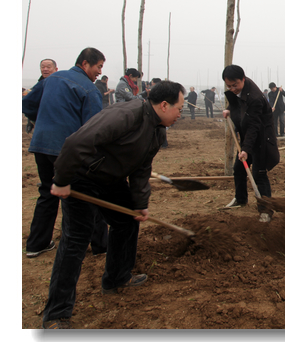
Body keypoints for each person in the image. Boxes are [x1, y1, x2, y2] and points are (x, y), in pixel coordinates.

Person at [40, 81, 186, 329]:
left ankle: (117, 278)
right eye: (179, 109)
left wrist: (140, 203)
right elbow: (76, 143)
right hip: (82, 177)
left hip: (110, 180)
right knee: (76, 239)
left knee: (127, 220)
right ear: (164, 105)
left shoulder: (157, 130)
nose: (180, 114)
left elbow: (142, 169)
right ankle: (56, 314)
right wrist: (62, 180)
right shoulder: (125, 114)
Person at [22, 48, 109, 260]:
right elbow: (94, 128)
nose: (100, 72)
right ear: (85, 63)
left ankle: (37, 244)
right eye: (98, 67)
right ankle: (101, 246)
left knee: (47, 192)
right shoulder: (89, 90)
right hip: (66, 150)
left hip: (41, 145)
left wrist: (44, 120)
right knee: (88, 192)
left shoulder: (51, 79)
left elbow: (27, 103)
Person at [221, 65, 280, 221]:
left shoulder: (255, 98)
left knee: (259, 174)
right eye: (229, 86)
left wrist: (246, 149)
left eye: (235, 85)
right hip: (247, 136)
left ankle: (266, 210)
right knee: (239, 169)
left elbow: (254, 126)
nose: (232, 89)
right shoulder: (241, 89)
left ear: (243, 79)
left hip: (261, 139)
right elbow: (237, 102)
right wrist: (229, 109)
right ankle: (240, 199)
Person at [25, 59, 60, 133]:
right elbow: (30, 101)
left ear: (56, 69)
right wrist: (31, 120)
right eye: (42, 67)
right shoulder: (40, 83)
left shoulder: (60, 83)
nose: (45, 69)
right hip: (40, 122)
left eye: (48, 67)